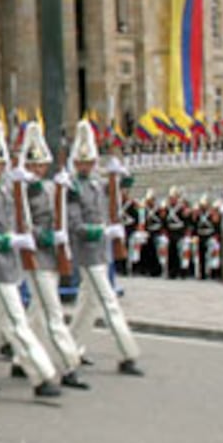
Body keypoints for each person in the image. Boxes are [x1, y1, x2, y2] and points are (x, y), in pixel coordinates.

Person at [0, 120, 61, 399]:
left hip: (11, 262)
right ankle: (41, 375)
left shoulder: (9, 187)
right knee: (17, 321)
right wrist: (6, 240)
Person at [13, 122, 88, 390]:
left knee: (37, 312)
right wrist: (41, 236)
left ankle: (21, 359)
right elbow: (20, 222)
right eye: (33, 165)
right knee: (53, 312)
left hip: (54, 257)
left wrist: (70, 188)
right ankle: (69, 364)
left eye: (41, 165)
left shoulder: (50, 187)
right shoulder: (20, 190)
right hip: (36, 257)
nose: (37, 170)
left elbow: (67, 212)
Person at [65, 121, 143, 376]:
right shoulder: (72, 188)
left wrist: (118, 173)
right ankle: (127, 353)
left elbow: (123, 188)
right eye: (81, 162)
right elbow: (75, 225)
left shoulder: (98, 184)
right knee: (108, 302)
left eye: (89, 162)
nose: (85, 166)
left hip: (100, 251)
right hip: (86, 250)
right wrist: (103, 231)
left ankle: (71, 348)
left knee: (88, 305)